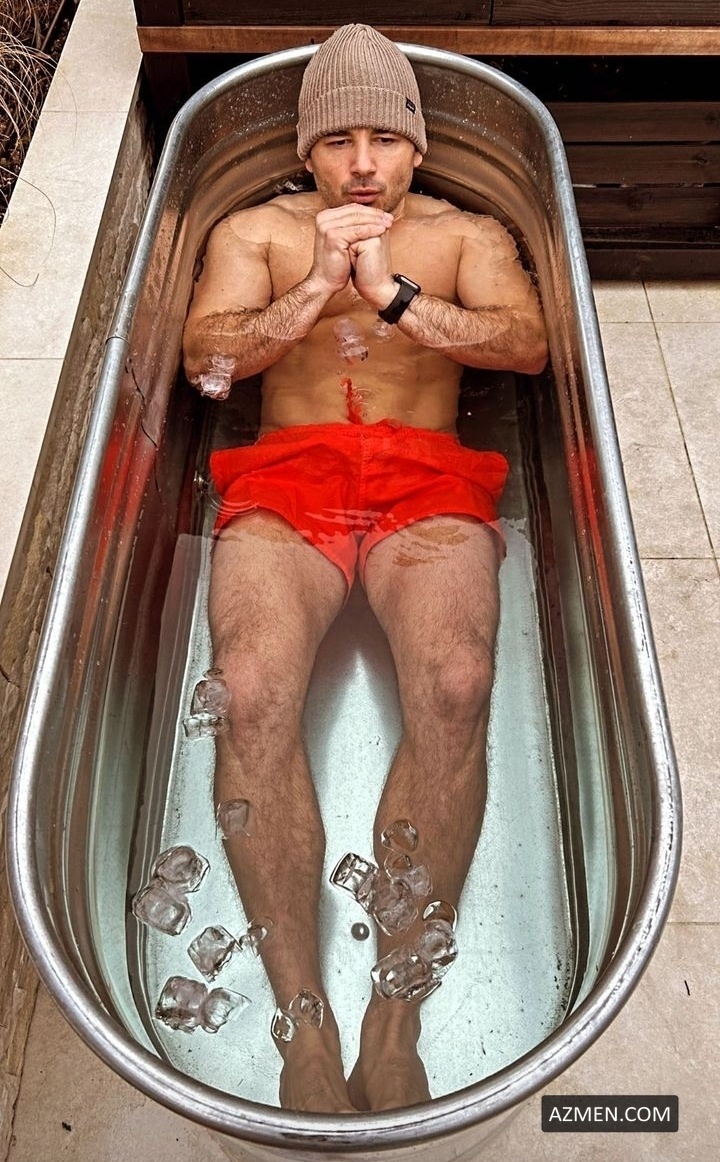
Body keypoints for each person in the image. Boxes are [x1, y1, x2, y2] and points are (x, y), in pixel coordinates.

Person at [182, 23, 548, 1116]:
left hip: (427, 480)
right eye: (337, 141)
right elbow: (204, 361)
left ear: (417, 148)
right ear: (305, 149)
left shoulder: (464, 233)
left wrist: (391, 295)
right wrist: (311, 293)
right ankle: (304, 1025)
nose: (361, 165)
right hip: (284, 479)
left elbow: (528, 344)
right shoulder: (256, 231)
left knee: (459, 683)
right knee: (248, 687)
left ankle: (396, 1020)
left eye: (384, 140)